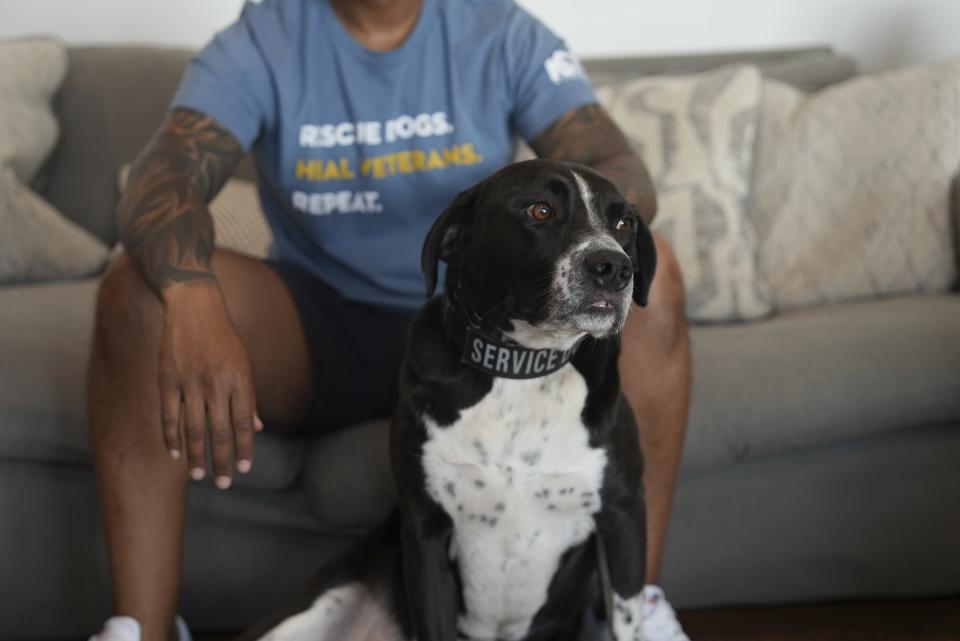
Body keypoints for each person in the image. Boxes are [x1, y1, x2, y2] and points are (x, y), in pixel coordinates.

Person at [86, 0, 692, 640]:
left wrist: (546, 215)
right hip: (320, 324)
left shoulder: (501, 32)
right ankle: (141, 631)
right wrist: (190, 294)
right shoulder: (262, 40)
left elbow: (614, 164)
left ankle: (627, 612)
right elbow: (167, 172)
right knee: (137, 289)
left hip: (477, 323)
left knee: (664, 274)